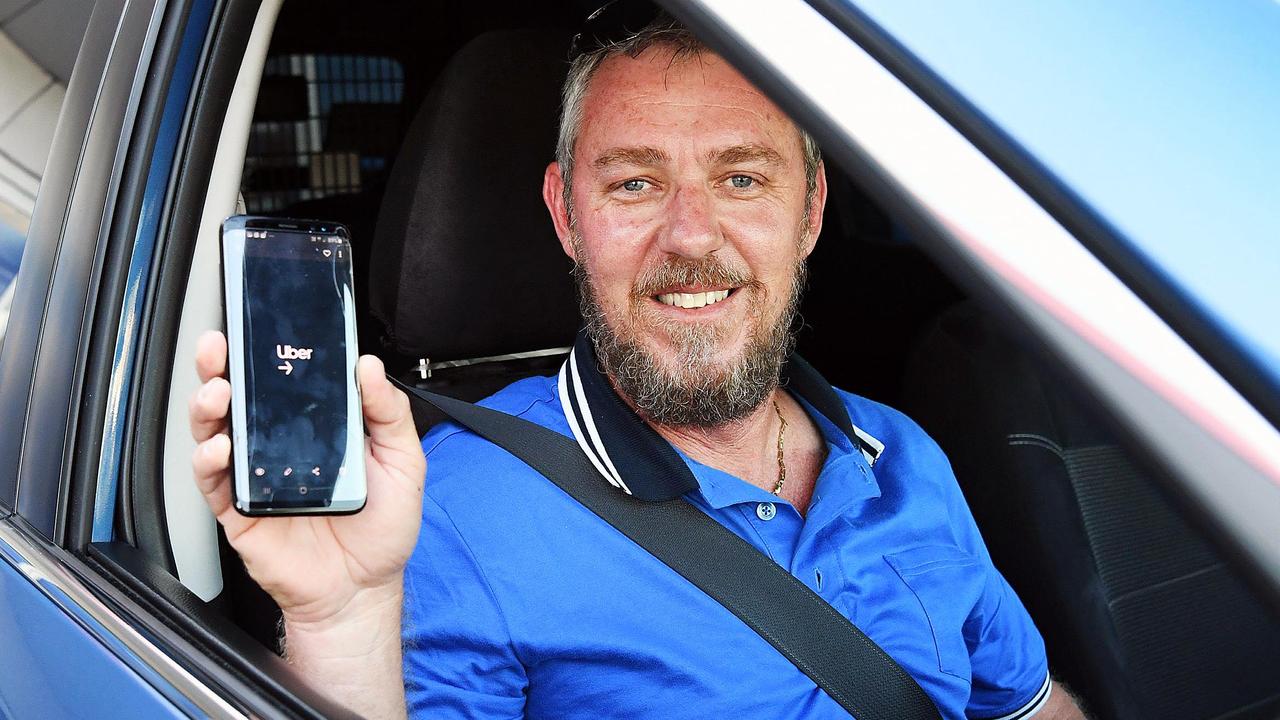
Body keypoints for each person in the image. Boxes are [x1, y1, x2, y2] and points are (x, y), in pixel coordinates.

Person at [189, 11, 1087, 720]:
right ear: (566, 216)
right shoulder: (449, 511)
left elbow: (1026, 707)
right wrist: (340, 620)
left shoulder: (902, 452)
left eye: (742, 178)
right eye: (634, 183)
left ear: (810, 213)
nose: (692, 237)